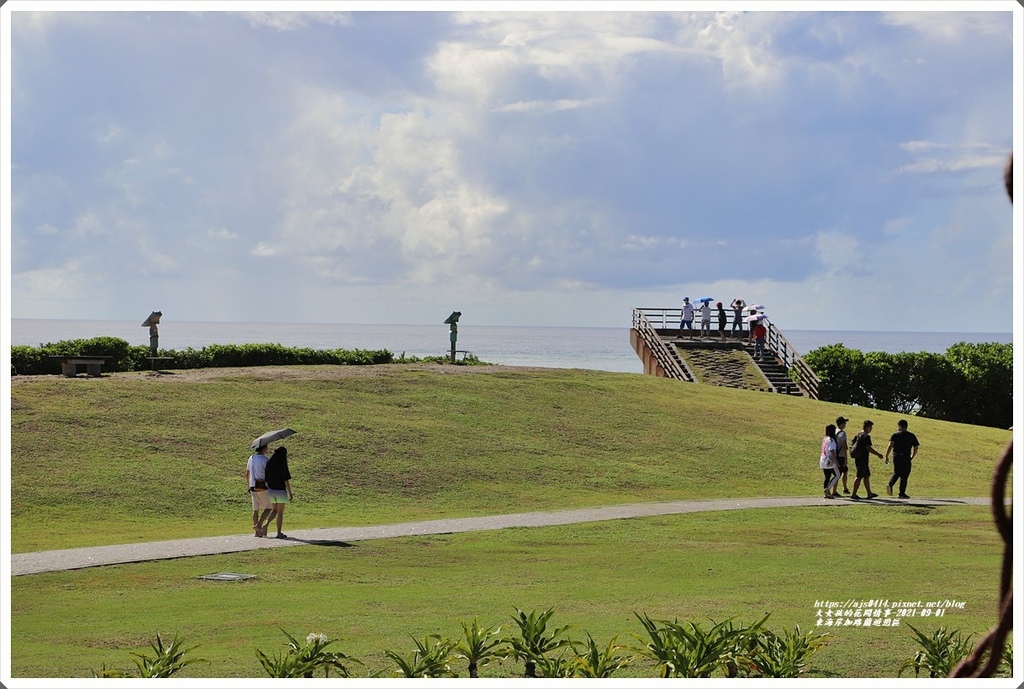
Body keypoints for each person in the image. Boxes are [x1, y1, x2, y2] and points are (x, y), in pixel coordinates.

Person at [885, 419, 920, 498]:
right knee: (905, 474)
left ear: (900, 426)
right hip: (906, 456)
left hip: (896, 455)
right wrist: (912, 456)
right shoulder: (911, 436)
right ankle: (901, 492)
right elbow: (916, 447)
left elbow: (890, 445)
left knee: (897, 471)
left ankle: (890, 484)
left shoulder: (895, 435)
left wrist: (886, 455)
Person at [849, 420, 883, 500]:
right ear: (867, 427)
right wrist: (878, 454)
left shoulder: (858, 435)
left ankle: (869, 493)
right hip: (863, 459)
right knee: (859, 476)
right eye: (870, 427)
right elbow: (868, 448)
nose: (871, 429)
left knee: (866, 476)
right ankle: (853, 494)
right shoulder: (866, 436)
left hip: (858, 458)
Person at [265, 446, 294, 539]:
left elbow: (266, 478)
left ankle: (266, 524)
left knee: (274, 510)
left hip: (271, 490)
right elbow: (286, 480)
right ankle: (279, 533)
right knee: (280, 513)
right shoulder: (282, 464)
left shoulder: (269, 463)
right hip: (280, 491)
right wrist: (290, 493)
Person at [245, 444, 274, 537]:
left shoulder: (251, 458)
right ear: (264, 449)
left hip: (252, 486)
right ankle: (258, 525)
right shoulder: (265, 460)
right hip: (261, 485)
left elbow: (247, 473)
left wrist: (248, 485)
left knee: (255, 509)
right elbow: (269, 474)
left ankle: (257, 533)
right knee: (269, 507)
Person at [819, 424, 839, 499]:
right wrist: (836, 461)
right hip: (829, 461)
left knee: (827, 477)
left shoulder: (825, 439)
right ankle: (827, 490)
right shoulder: (831, 440)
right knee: (837, 475)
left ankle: (826, 493)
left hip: (823, 459)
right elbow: (832, 450)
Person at [832, 416, 851, 496]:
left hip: (835, 454)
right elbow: (844, 445)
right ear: (841, 424)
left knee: (844, 471)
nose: (845, 424)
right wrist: (846, 457)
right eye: (844, 423)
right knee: (839, 473)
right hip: (841, 455)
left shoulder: (835, 431)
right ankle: (834, 491)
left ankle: (845, 488)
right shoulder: (842, 433)